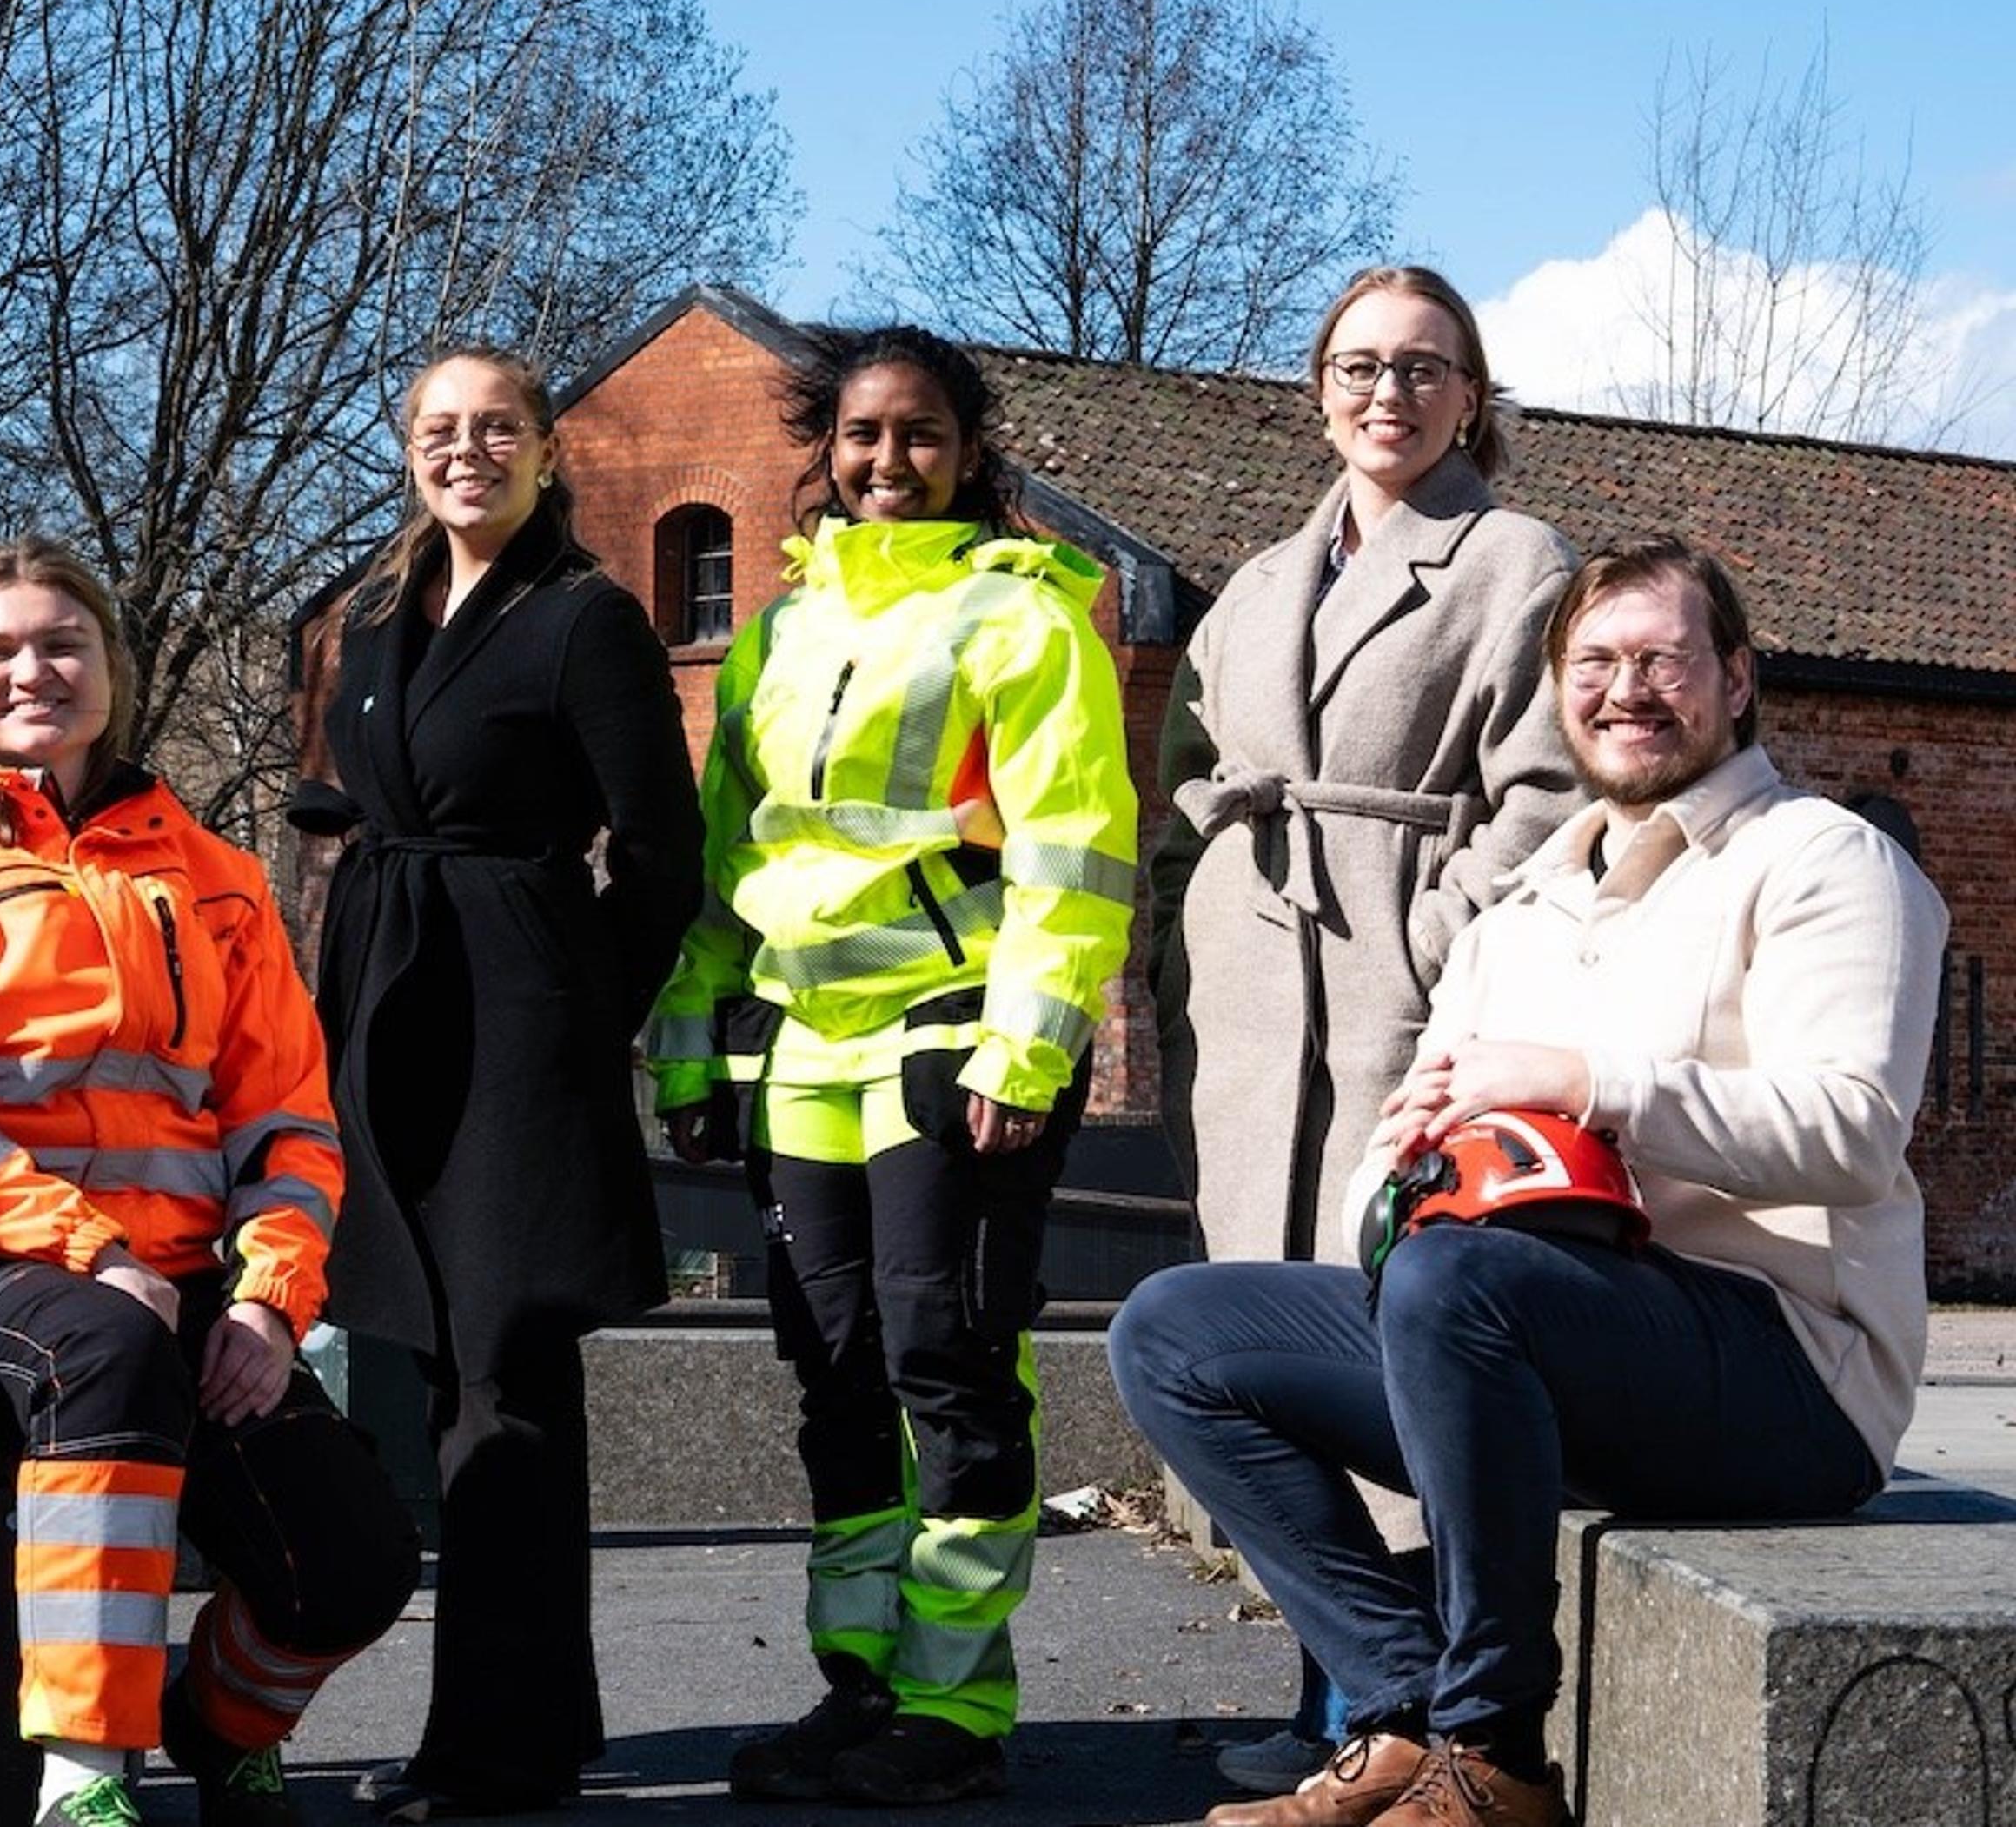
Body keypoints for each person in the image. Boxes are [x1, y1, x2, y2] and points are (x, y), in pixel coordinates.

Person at [1113, 538, 1942, 1827]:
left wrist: (1577, 1080)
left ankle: (1496, 1754)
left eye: (1664, 659)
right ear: (1562, 690)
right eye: (1596, 664)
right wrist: (1403, 1178)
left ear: (1736, 677)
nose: (1629, 691)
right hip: (1535, 1331)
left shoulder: (1826, 861)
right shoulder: (1526, 909)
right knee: (1176, 1328)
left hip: (1782, 1369)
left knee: (1458, 1280)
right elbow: (1398, 1164)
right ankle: (1401, 1709)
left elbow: (1849, 1130)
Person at [0, 540, 417, 1827]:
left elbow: (287, 1121)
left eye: (64, 645)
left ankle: (218, 1723)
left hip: (181, 1288)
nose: (35, 671)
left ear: (113, 673)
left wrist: (267, 1302)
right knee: (108, 1350)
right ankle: (85, 1774)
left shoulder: (217, 877)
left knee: (353, 1563)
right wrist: (93, 1253)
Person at [648, 325, 1140, 1807]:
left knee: (951, 1365)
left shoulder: (1025, 618)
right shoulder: (778, 636)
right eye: (862, 436)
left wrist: (1030, 1048)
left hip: (951, 1040)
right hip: (799, 1046)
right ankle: (859, 1687)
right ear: (829, 451)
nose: (887, 461)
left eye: (919, 434)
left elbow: (1074, 858)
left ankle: (958, 1711)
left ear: (970, 451)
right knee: (837, 1376)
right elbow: (734, 855)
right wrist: (691, 1044)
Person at [1146, 265, 1580, 1792]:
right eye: (1357, 366)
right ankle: (1335, 1685)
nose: (1385, 394)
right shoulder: (1259, 578)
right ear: (1318, 390)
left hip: (1403, 992)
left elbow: (1546, 790)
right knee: (1259, 1337)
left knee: (1383, 1331)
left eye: (1422, 368)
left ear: (1472, 395)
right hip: (1262, 995)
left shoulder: (1516, 558)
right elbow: (1196, 751)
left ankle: (1403, 1714)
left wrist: (1431, 934)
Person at [299, 347, 701, 1817]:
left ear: (545, 450)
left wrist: (577, 1013)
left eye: (496, 429)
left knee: (506, 1384)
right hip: (386, 1011)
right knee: (439, 1373)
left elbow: (662, 859)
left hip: (515, 1033)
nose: (464, 450)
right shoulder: (373, 609)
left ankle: (498, 1748)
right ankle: (533, 1724)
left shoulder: (587, 618)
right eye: (436, 429)